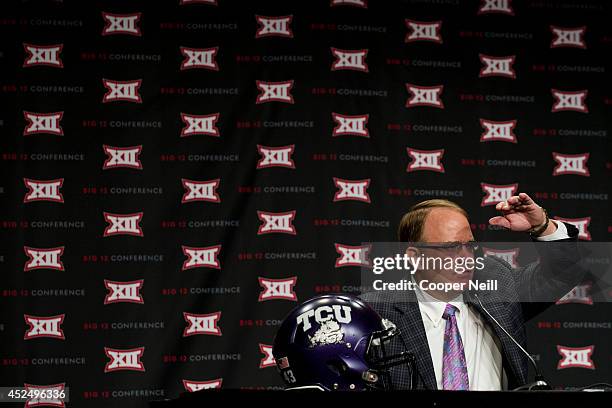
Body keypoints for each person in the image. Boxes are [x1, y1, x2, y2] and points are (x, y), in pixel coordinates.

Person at [360, 193, 584, 390]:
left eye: (470, 245)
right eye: (451, 247)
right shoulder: (375, 315)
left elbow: (564, 272)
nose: (467, 258)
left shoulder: (497, 286)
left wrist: (542, 226)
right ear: (414, 256)